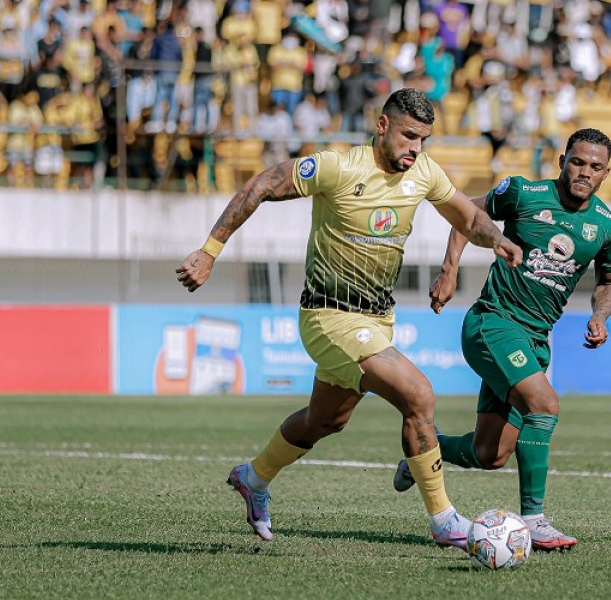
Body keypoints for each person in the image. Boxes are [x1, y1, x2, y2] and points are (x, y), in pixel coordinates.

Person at [175, 88, 523, 549]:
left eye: (424, 140)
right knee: (418, 395)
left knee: (325, 420)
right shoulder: (338, 167)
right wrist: (209, 251)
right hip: (327, 315)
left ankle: (254, 477)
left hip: (377, 319)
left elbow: (468, 218)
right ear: (383, 126)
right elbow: (259, 185)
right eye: (408, 136)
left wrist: (496, 240)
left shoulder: (423, 173)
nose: (415, 150)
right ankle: (444, 520)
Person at [392, 128, 611, 552]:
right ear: (562, 160)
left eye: (595, 167)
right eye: (577, 161)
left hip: (535, 340)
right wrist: (450, 269)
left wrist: (599, 314)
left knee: (490, 454)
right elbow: (467, 216)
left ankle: (424, 451)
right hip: (492, 323)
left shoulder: (607, 226)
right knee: (545, 404)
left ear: (606, 173)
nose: (584, 172)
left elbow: (609, 280)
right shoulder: (523, 192)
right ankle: (534, 520)